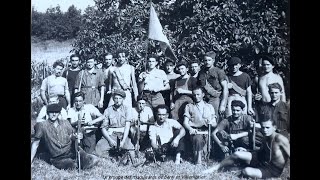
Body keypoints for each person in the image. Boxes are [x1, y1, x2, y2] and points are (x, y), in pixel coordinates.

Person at [202, 117, 290, 179]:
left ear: (274, 128)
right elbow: (261, 152)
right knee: (237, 154)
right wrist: (247, 151)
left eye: (267, 128)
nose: (265, 130)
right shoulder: (266, 136)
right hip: (262, 161)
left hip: (273, 170)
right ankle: (215, 168)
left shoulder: (280, 139)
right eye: (263, 127)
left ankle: (238, 170)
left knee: (246, 171)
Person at [31, 104, 99, 170]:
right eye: (51, 112)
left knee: (92, 159)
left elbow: (71, 136)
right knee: (72, 166)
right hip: (58, 157)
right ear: (47, 113)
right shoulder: (42, 125)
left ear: (59, 113)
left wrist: (76, 136)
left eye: (56, 112)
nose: (54, 114)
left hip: (71, 151)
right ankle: (78, 164)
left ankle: (83, 161)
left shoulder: (65, 122)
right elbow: (35, 144)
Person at [95, 89, 139, 164]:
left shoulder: (127, 109)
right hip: (111, 134)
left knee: (131, 152)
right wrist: (109, 140)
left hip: (123, 134)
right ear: (113, 99)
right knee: (98, 149)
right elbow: (103, 128)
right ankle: (111, 157)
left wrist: (123, 140)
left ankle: (122, 155)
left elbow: (127, 126)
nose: (118, 101)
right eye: (116, 98)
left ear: (123, 99)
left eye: (120, 98)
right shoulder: (108, 110)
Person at [183, 86, 217, 164]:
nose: (196, 97)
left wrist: (211, 123)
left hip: (206, 131)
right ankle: (198, 161)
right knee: (198, 140)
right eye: (194, 95)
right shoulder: (189, 106)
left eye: (198, 94)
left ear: (203, 95)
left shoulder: (209, 107)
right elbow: (185, 123)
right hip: (195, 131)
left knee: (206, 151)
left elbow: (214, 124)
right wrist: (191, 129)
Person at [197, 51, 228, 120]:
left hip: (215, 98)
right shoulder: (201, 72)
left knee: (214, 119)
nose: (207, 62)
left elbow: (225, 88)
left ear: (213, 60)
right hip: (203, 99)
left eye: (209, 60)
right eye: (205, 60)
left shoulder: (219, 71)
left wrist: (223, 104)